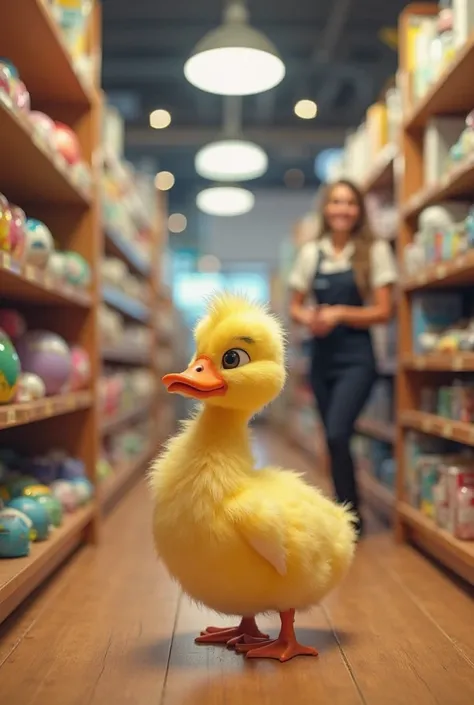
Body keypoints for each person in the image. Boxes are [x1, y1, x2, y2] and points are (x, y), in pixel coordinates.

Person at [288, 179, 397, 536]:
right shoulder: (311, 254)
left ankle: (349, 514)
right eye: (336, 202)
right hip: (322, 358)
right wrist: (312, 319)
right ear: (326, 208)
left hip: (357, 359)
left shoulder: (374, 251)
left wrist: (339, 314)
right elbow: (295, 307)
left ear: (359, 210)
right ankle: (346, 514)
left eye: (350, 203)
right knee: (331, 438)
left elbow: (383, 311)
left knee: (337, 432)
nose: (342, 209)